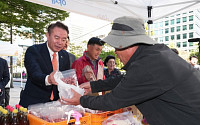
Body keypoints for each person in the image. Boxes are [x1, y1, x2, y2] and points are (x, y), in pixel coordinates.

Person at [62, 16, 200, 125]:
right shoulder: (154, 55)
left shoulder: (148, 65)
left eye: (117, 46)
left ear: (130, 44)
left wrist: (81, 100)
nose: (115, 52)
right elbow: (126, 79)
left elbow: (113, 100)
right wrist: (93, 85)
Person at [19, 21, 71, 108]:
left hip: (55, 105)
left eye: (63, 39)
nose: (60, 42)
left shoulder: (65, 55)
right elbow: (34, 74)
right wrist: (49, 79)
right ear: (48, 35)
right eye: (56, 38)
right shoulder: (34, 51)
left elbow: (65, 78)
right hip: (34, 103)